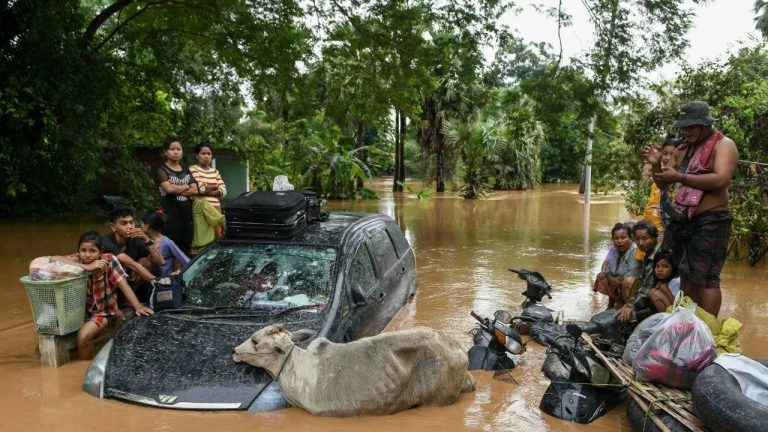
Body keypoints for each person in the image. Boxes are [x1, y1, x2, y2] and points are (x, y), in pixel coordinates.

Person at [645, 101, 739, 317]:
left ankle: (708, 330)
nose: (686, 132)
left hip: (711, 220)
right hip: (683, 220)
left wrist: (679, 176)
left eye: (691, 127)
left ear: (705, 125)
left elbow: (721, 180)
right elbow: (663, 183)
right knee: (686, 275)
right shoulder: (682, 149)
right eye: (683, 128)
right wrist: (656, 165)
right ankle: (689, 324)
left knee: (706, 279)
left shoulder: (723, 145)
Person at [51, 231, 153, 359]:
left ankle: (85, 370)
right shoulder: (78, 260)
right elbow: (53, 258)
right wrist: (85, 267)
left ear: (100, 251)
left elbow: (123, 284)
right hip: (82, 311)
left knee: (83, 337)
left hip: (104, 312)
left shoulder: (109, 260)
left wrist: (137, 306)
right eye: (83, 250)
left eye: (92, 251)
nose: (87, 255)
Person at [102, 207, 162, 302]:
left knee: (146, 262)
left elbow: (160, 262)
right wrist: (158, 281)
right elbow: (131, 264)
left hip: (129, 282)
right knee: (131, 264)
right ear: (113, 227)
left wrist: (146, 239)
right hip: (111, 287)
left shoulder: (135, 240)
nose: (130, 226)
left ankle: (127, 299)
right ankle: (122, 301)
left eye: (131, 222)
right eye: (124, 223)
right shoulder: (106, 243)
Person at [155, 137, 199, 255]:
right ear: (166, 151)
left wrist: (177, 188)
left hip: (187, 217)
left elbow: (195, 190)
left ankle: (182, 272)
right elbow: (168, 189)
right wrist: (185, 186)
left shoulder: (186, 170)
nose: (176, 152)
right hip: (170, 216)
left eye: (179, 149)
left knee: (185, 248)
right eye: (172, 149)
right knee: (171, 248)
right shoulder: (162, 169)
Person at [616, 220, 661, 322]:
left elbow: (647, 287)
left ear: (655, 237)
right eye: (637, 239)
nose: (641, 243)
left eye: (645, 238)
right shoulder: (648, 254)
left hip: (660, 301)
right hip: (650, 297)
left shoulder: (658, 257)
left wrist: (630, 306)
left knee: (624, 318)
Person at [593, 223, 641, 309]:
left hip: (629, 283)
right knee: (602, 277)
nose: (619, 241)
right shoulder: (613, 248)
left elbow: (632, 274)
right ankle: (611, 304)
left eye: (623, 238)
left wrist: (615, 280)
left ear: (631, 238)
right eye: (616, 238)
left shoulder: (635, 251)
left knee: (624, 282)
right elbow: (605, 262)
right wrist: (605, 273)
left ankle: (626, 305)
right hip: (614, 278)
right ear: (612, 239)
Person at [189, 141, 227, 237]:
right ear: (197, 156)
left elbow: (223, 191)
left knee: (216, 237)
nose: (206, 156)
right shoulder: (193, 169)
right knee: (203, 238)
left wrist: (204, 190)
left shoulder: (215, 172)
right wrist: (214, 187)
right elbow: (197, 187)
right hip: (201, 210)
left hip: (216, 209)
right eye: (203, 153)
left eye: (208, 153)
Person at [141, 208, 190, 277]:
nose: (141, 226)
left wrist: (179, 272)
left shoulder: (167, 243)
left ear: (148, 225)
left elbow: (184, 259)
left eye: (143, 223)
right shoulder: (145, 240)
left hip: (166, 281)